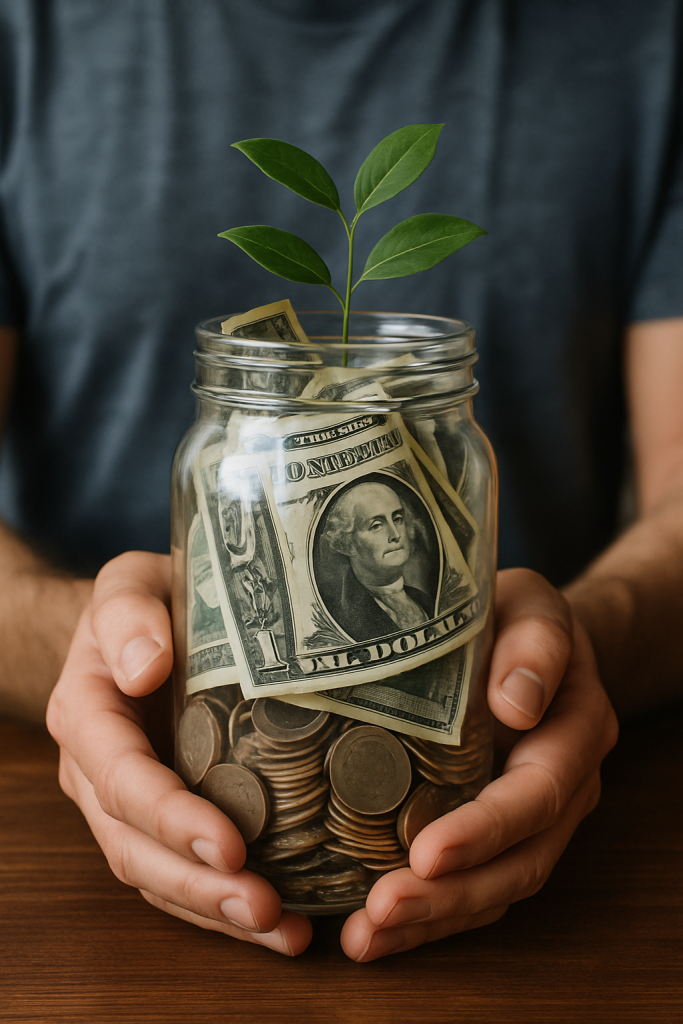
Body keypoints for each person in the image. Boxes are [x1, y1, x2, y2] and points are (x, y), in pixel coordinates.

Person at [0, 1, 681, 962]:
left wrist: (578, 641)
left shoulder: (645, 35)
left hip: (546, 872)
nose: (389, 535)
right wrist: (90, 648)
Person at [316, 479, 434, 641]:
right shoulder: (342, 615)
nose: (395, 535)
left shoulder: (423, 600)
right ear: (346, 543)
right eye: (377, 525)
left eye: (397, 519)